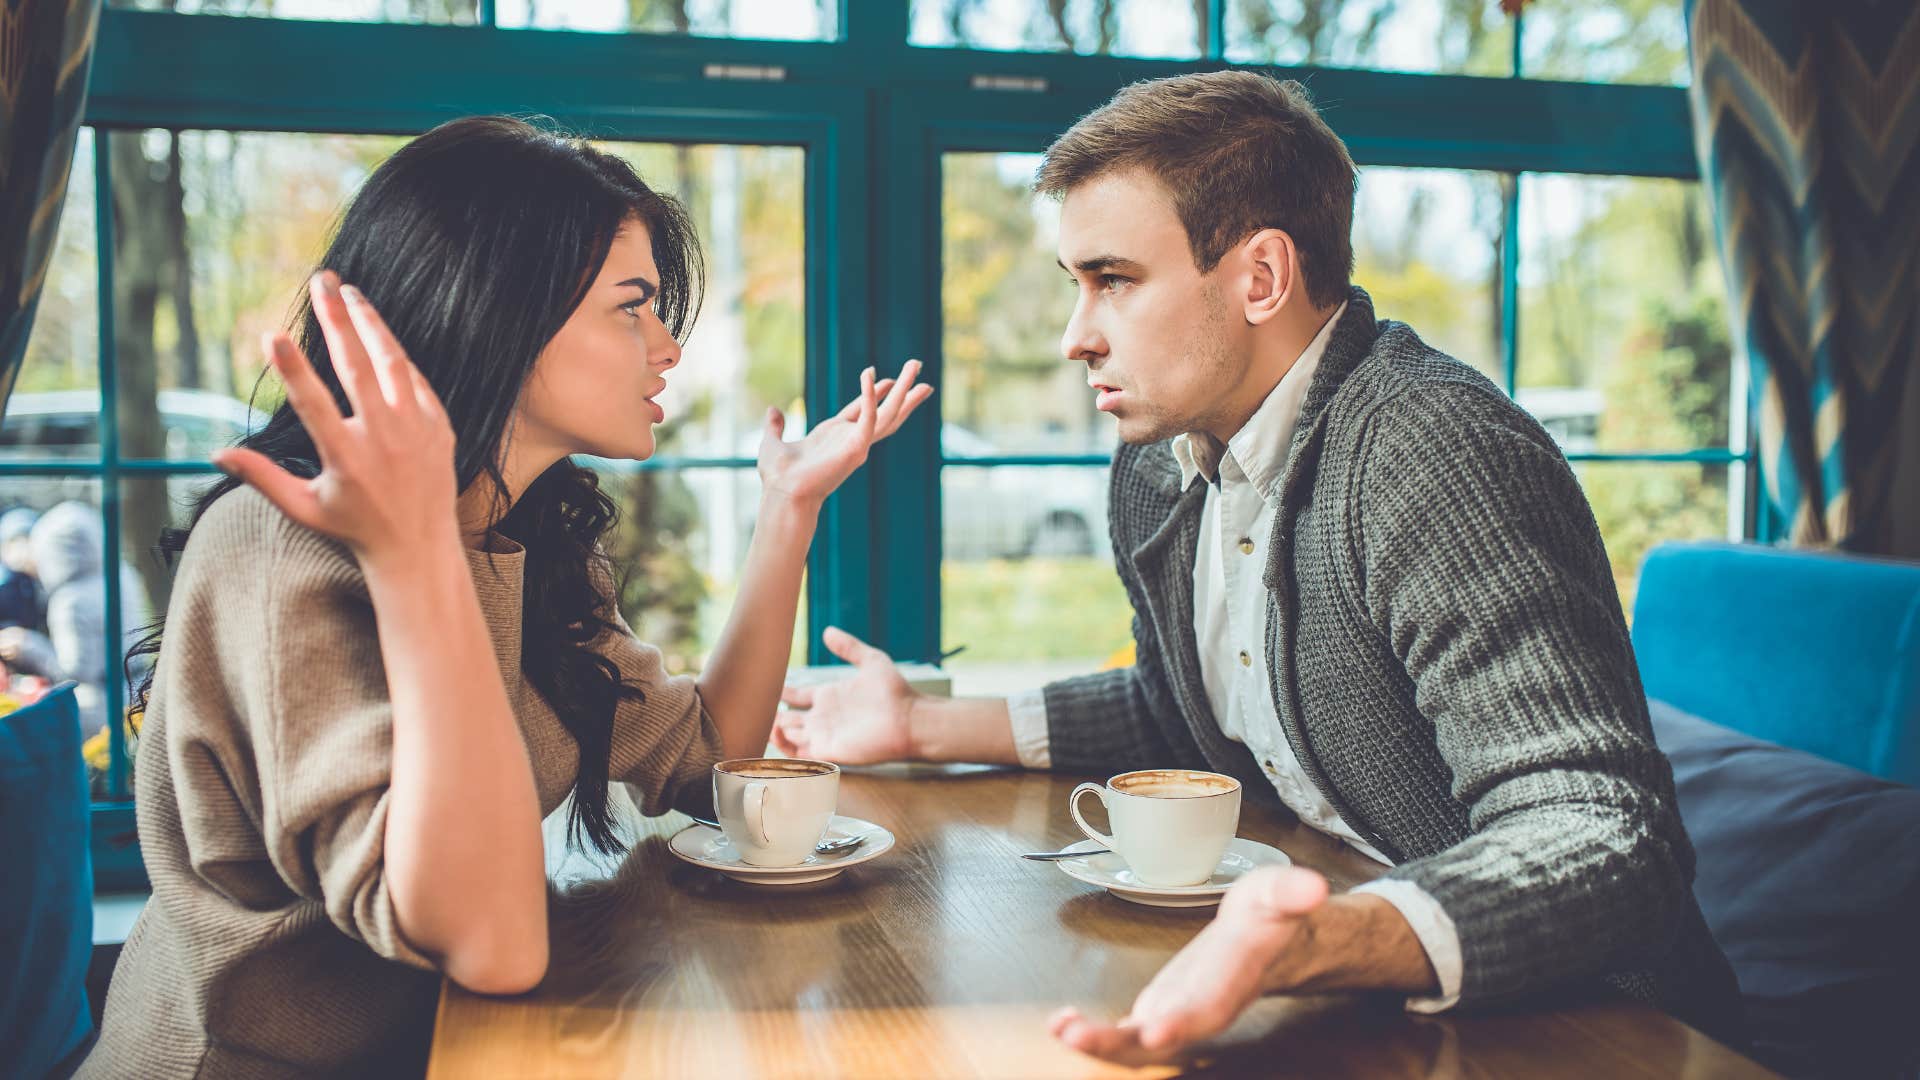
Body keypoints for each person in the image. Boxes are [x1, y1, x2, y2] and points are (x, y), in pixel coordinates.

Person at [773, 70, 1742, 1065]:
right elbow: (1186, 708)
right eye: (1075, 284)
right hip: (1369, 983)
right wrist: (923, 727)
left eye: (1114, 280)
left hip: (1597, 1026)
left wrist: (1322, 943)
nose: (1076, 338)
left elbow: (1605, 832)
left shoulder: (1432, 452)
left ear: (1261, 278)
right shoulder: (1160, 466)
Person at [80, 116, 931, 1078]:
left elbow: (709, 759)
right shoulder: (281, 541)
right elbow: (493, 945)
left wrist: (789, 510)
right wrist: (418, 557)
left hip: (444, 1046)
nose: (667, 347)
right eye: (632, 308)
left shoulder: (527, 531)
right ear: (498, 312)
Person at [0, 500, 149, 735]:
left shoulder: (70, 601)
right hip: (139, 691)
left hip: (102, 710)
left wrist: (27, 645)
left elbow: (76, 673)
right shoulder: (122, 574)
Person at [0, 506, 45, 632]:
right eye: (13, 542)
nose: (20, 550)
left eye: (25, 540)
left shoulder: (48, 581)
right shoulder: (5, 585)